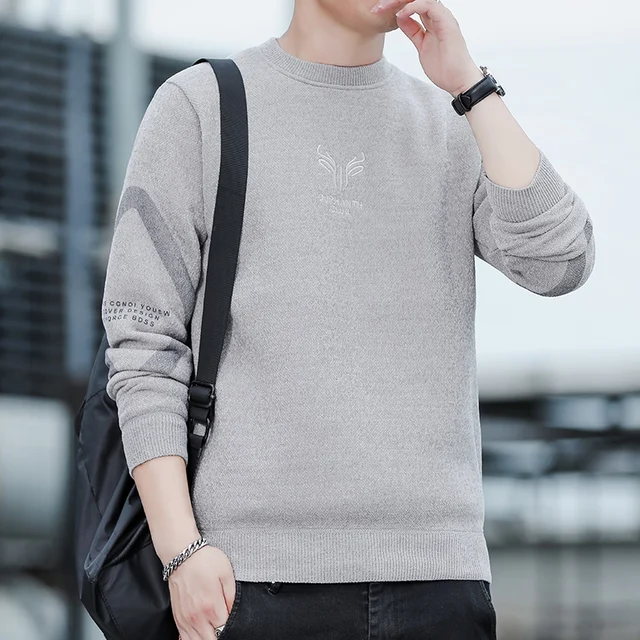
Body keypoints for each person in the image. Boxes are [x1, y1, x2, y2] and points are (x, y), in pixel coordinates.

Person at [101, 0, 596, 638]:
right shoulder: (201, 106)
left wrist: (472, 87)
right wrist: (181, 553)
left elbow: (560, 262)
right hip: (250, 578)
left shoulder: (449, 122)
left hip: (437, 580)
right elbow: (144, 343)